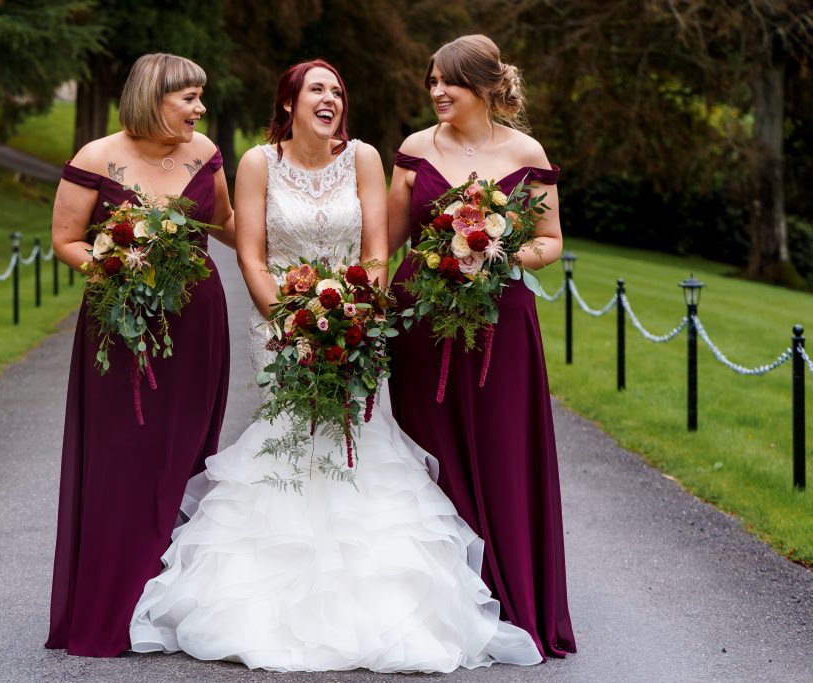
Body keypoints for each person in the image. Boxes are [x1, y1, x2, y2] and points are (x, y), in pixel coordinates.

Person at [129, 59, 543, 673]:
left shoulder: (367, 159)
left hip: (356, 325)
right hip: (280, 328)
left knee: (361, 443)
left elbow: (378, 251)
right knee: (291, 440)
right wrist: (289, 324)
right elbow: (251, 255)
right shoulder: (256, 163)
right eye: (318, 89)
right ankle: (263, 597)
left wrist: (355, 318)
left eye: (338, 91)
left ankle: (386, 606)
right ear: (290, 101)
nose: (331, 99)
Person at [386, 34, 577, 659]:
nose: (438, 92)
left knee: (498, 452)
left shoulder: (527, 152)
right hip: (422, 322)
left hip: (501, 323)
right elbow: (386, 239)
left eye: (451, 83)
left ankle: (503, 595)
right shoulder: (415, 149)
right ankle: (433, 605)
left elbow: (548, 241)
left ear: (486, 89)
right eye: (432, 81)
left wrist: (494, 251)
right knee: (428, 449)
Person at [46, 53, 236, 658]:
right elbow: (66, 239)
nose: (200, 109)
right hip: (121, 329)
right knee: (121, 458)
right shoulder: (96, 158)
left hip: (198, 323)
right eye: (189, 98)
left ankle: (168, 606)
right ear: (153, 96)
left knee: (184, 455)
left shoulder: (203, 150)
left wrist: (298, 231)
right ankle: (108, 608)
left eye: (201, 97)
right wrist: (117, 267)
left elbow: (229, 223)